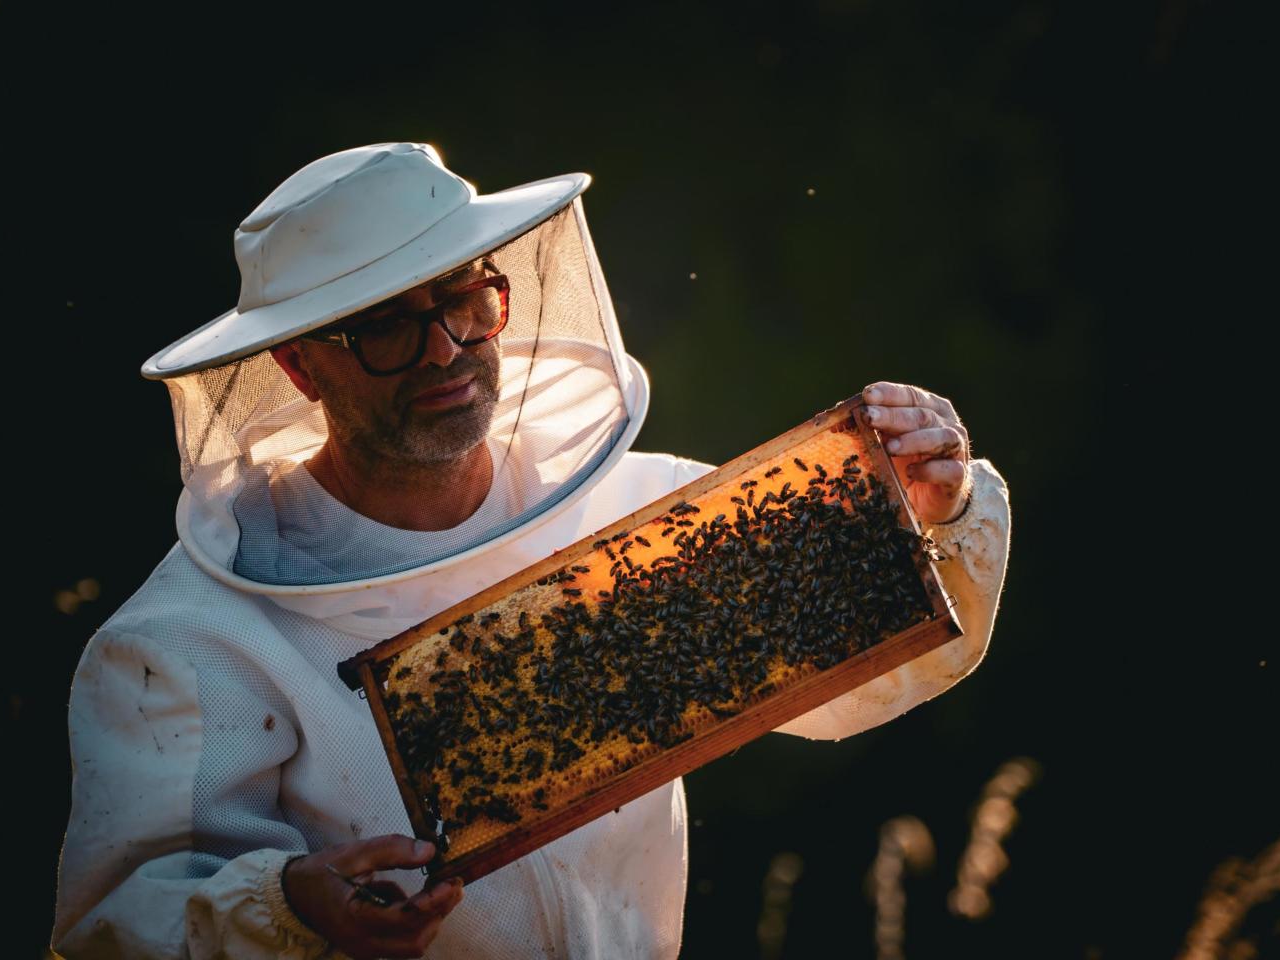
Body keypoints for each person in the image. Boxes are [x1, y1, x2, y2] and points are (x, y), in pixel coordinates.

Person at [51, 142, 1012, 959]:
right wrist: (290, 906)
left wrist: (929, 511)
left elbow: (857, 681)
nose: (444, 349)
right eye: (385, 326)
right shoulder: (188, 644)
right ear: (299, 365)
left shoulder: (633, 517)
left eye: (465, 300)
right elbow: (112, 925)